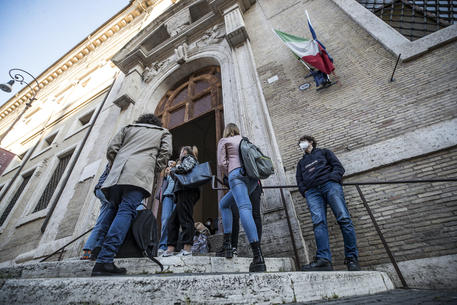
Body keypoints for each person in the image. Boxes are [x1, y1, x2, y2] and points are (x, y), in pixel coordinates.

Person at [91, 113, 172, 276]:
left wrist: (118, 163)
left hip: (116, 176)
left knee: (111, 212)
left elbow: (111, 149)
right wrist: (152, 167)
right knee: (126, 211)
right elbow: (165, 154)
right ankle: (105, 259)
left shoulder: (127, 128)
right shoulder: (163, 133)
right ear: (156, 123)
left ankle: (98, 254)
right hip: (138, 175)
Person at [296, 135, 360, 271]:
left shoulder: (324, 152)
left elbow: (338, 167)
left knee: (344, 219)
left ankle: (352, 259)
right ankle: (324, 260)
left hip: (330, 186)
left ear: (311, 142)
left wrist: (332, 179)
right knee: (318, 223)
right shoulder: (301, 163)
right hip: (312, 192)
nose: (301, 144)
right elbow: (299, 180)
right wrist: (305, 191)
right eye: (300, 143)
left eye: (303, 141)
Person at [217, 123, 266, 272]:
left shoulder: (224, 141)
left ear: (226, 131)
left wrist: (230, 173)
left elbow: (221, 163)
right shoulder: (245, 140)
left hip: (236, 174)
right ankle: (227, 244)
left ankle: (258, 257)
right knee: (224, 204)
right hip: (252, 178)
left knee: (244, 207)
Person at [161, 146, 200, 257]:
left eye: (181, 151)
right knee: (173, 221)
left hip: (187, 191)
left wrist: (174, 168)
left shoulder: (189, 158)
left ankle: (187, 249)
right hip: (181, 192)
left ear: (185, 152)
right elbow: (179, 176)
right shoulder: (185, 160)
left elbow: (185, 168)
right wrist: (172, 172)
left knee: (186, 219)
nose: (180, 153)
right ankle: (170, 249)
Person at [216, 181, 263, 257]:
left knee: (254, 214)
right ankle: (233, 247)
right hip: (239, 184)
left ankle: (257, 249)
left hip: (249, 184)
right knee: (234, 214)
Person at [80, 163, 112, 260]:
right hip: (105, 190)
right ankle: (93, 249)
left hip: (100, 190)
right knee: (111, 218)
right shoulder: (115, 159)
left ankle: (89, 251)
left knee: (102, 222)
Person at [157, 160, 177, 256]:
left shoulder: (180, 169)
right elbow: (163, 178)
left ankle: (172, 246)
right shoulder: (167, 171)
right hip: (167, 195)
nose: (172, 164)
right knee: (165, 219)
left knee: (175, 222)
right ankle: (162, 245)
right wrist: (166, 171)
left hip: (178, 196)